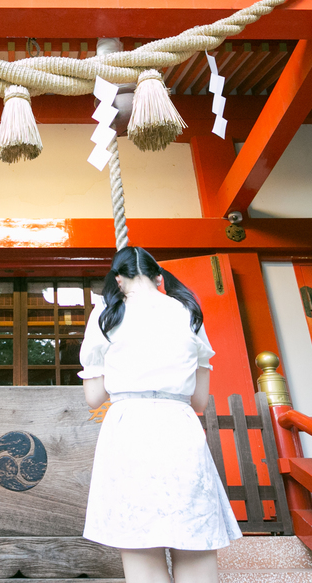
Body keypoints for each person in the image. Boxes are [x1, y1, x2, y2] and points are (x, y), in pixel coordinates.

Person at [79, 246, 241, 583]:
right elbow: (199, 401)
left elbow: (94, 398)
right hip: (179, 427)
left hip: (128, 430)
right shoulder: (188, 313)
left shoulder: (106, 314)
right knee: (193, 543)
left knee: (142, 547)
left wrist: (123, 367)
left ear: (119, 280)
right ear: (159, 278)